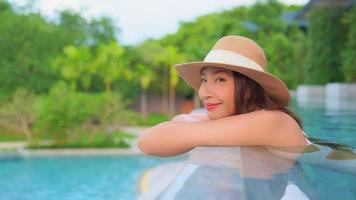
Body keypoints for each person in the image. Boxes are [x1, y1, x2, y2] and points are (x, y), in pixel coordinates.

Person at [138, 35, 311, 157]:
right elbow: (171, 127)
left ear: (249, 89)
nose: (205, 93)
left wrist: (196, 123)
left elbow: (149, 141)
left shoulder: (272, 121)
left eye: (220, 79)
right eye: (204, 80)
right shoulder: (249, 119)